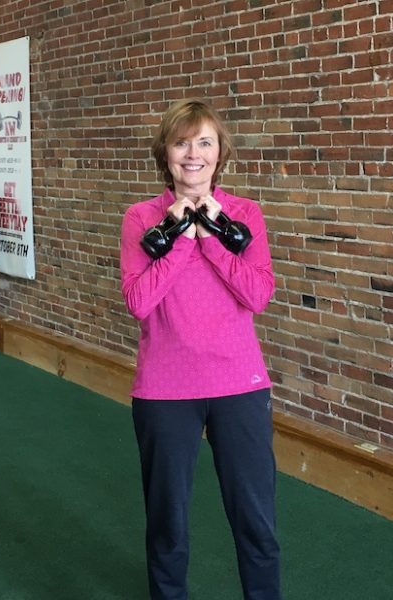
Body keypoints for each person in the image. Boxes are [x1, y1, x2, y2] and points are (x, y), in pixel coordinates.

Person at [120, 98, 281, 600]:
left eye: (204, 142)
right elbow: (139, 302)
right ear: (165, 153)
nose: (194, 154)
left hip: (239, 384)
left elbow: (258, 295)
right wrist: (182, 236)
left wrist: (210, 235)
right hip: (165, 390)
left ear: (219, 153)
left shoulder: (244, 215)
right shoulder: (140, 218)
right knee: (167, 522)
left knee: (256, 520)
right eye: (182, 142)